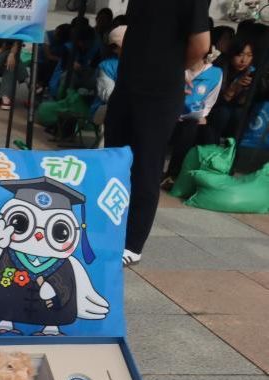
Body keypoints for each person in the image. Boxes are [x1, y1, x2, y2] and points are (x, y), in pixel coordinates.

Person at [103, 0, 209, 266]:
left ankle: (132, 243)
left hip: (159, 94)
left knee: (145, 165)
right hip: (127, 86)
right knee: (113, 160)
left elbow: (201, 45)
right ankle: (108, 229)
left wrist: (170, 68)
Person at [163, 50, 223, 183]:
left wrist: (202, 115)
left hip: (191, 116)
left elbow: (210, 100)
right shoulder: (175, 67)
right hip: (168, 112)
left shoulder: (215, 73)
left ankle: (173, 175)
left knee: (191, 128)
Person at [203, 38, 257, 144]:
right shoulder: (219, 69)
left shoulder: (251, 72)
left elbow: (245, 104)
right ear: (232, 54)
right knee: (223, 113)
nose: (244, 60)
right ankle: (211, 146)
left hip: (234, 114)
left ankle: (230, 147)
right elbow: (214, 102)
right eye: (240, 55)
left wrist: (246, 91)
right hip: (215, 109)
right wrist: (233, 88)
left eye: (249, 55)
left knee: (239, 114)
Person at [91, 25, 125, 121]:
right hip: (106, 109)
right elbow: (108, 96)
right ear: (116, 48)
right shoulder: (107, 66)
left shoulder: (140, 65)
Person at [0, 40, 27, 111]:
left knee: (12, 60)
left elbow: (16, 45)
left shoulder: (13, 35)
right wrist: (3, 50)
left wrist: (12, 54)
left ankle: (5, 97)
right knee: (12, 55)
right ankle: (27, 80)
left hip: (6, 65)